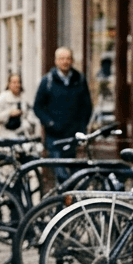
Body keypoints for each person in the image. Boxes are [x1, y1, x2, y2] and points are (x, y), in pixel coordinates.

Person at [33, 46, 93, 181]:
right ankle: (63, 194)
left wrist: (81, 127)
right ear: (56, 61)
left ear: (72, 60)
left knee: (77, 176)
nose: (65, 62)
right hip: (54, 137)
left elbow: (87, 107)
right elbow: (38, 107)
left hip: (73, 136)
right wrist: (50, 123)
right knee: (61, 175)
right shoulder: (47, 81)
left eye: (68, 58)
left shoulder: (79, 80)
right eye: (62, 59)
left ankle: (70, 194)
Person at [0, 73, 40, 140]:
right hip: (5, 135)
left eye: (18, 82)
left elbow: (31, 116)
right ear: (9, 84)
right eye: (14, 82)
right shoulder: (2, 98)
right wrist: (9, 113)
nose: (17, 85)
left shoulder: (24, 99)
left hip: (22, 135)